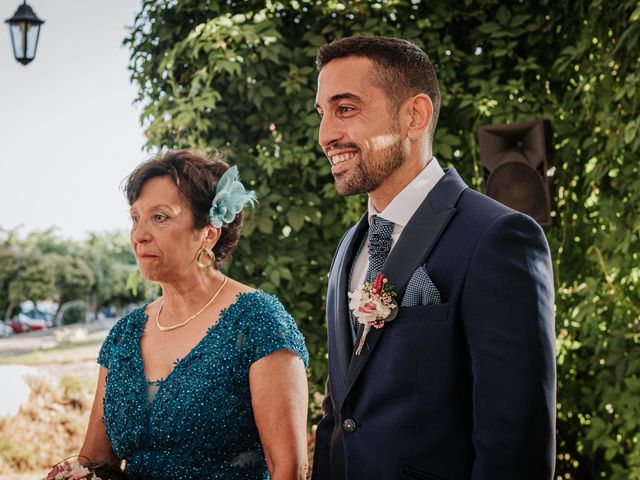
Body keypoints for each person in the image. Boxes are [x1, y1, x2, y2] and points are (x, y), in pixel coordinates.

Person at [311, 36, 556, 480]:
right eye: (322, 113)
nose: (325, 134)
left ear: (414, 116)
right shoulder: (348, 248)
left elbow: (515, 448)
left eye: (345, 109)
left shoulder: (497, 237)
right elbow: (338, 415)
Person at [79, 150, 309, 480]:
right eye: (135, 218)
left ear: (208, 233)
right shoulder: (124, 335)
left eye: (160, 217)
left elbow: (289, 469)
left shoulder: (258, 321)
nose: (139, 235)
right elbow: (95, 460)